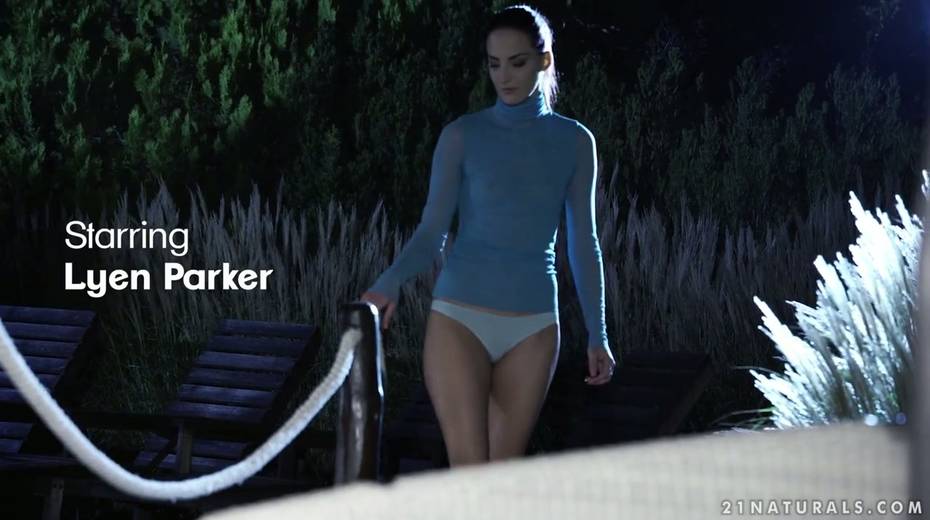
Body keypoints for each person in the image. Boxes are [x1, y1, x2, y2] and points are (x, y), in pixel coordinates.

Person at [360, 4, 616, 467]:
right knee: (470, 470)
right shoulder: (462, 136)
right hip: (460, 317)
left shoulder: (576, 142)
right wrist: (390, 280)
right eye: (494, 64)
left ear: (544, 60)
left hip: (535, 325)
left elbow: (584, 242)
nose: (504, 76)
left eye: (517, 62)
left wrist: (598, 334)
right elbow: (432, 231)